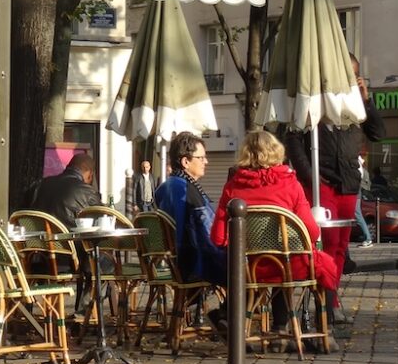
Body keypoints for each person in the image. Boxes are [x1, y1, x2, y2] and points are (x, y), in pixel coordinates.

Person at [283, 54, 384, 320]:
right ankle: (325, 303)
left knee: (340, 247)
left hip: (348, 183)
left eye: (354, 75)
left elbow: (378, 133)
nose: (349, 80)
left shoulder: (354, 108)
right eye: (346, 74)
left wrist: (367, 100)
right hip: (322, 182)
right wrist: (310, 176)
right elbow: (293, 138)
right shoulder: (314, 103)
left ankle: (332, 299)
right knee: (325, 245)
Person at [210, 131, 340, 294]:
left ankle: (245, 313)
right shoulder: (291, 185)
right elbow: (312, 233)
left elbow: (218, 238)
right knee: (293, 258)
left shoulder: (232, 187)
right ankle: (284, 317)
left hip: (247, 267)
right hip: (288, 266)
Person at [153, 132, 226, 287]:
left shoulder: (164, 188)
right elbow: (208, 234)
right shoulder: (188, 191)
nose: (206, 161)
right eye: (201, 158)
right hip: (197, 264)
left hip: (176, 264)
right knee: (247, 268)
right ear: (186, 161)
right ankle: (235, 310)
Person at [27, 153, 102, 229]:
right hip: (71, 240)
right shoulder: (87, 191)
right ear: (90, 174)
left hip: (39, 239)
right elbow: (103, 221)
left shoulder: (39, 185)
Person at [355, 155, 373, 248]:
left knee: (357, 214)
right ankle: (367, 237)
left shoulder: (356, 164)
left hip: (354, 191)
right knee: (356, 214)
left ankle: (368, 238)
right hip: (356, 191)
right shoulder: (359, 164)